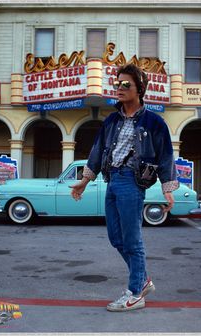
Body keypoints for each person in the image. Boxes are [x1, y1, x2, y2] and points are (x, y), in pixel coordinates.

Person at [70, 63, 179, 312]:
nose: (119, 88)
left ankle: (135, 293)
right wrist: (84, 181)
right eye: (117, 83)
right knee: (115, 237)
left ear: (139, 88)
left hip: (132, 181)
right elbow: (97, 152)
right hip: (112, 180)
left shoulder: (154, 122)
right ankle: (142, 279)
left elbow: (165, 155)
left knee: (132, 240)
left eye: (125, 84)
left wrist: (167, 188)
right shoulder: (111, 120)